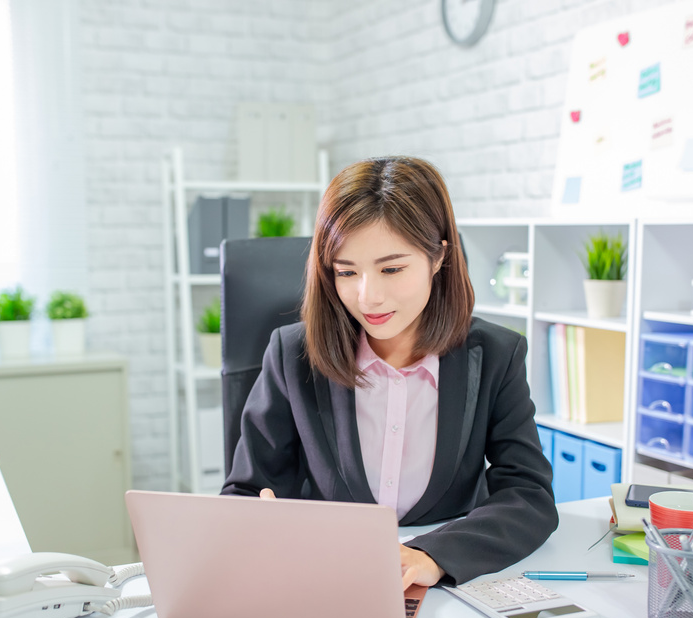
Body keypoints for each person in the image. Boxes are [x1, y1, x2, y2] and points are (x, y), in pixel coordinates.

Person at [221, 155, 557, 588]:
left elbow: (529, 496)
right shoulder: (293, 354)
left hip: (444, 590)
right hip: (327, 580)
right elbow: (247, 492)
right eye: (346, 272)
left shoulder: (496, 355)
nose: (368, 297)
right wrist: (257, 519)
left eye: (392, 269)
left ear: (438, 257)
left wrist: (431, 555)